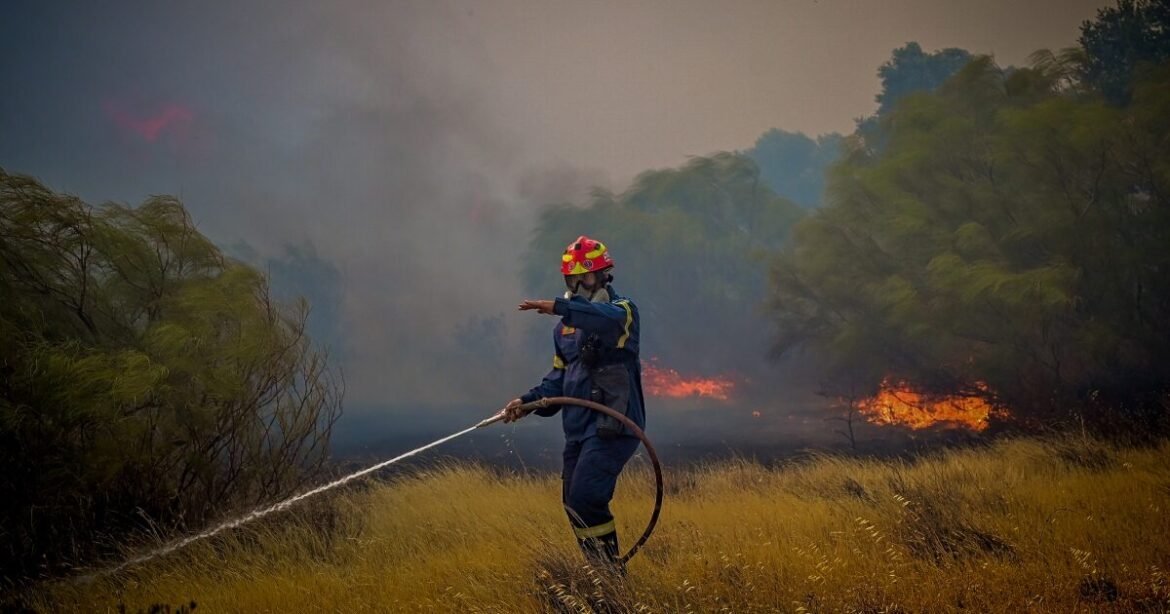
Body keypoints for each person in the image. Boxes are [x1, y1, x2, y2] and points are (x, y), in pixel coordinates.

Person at [502, 235, 646, 572]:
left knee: (586, 497)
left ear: (604, 276)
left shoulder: (622, 313)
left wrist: (561, 307)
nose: (579, 285)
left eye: (587, 278)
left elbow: (600, 316)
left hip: (614, 426)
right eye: (573, 279)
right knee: (574, 504)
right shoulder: (563, 332)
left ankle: (611, 579)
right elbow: (557, 379)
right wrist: (527, 402)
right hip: (578, 430)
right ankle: (601, 573)